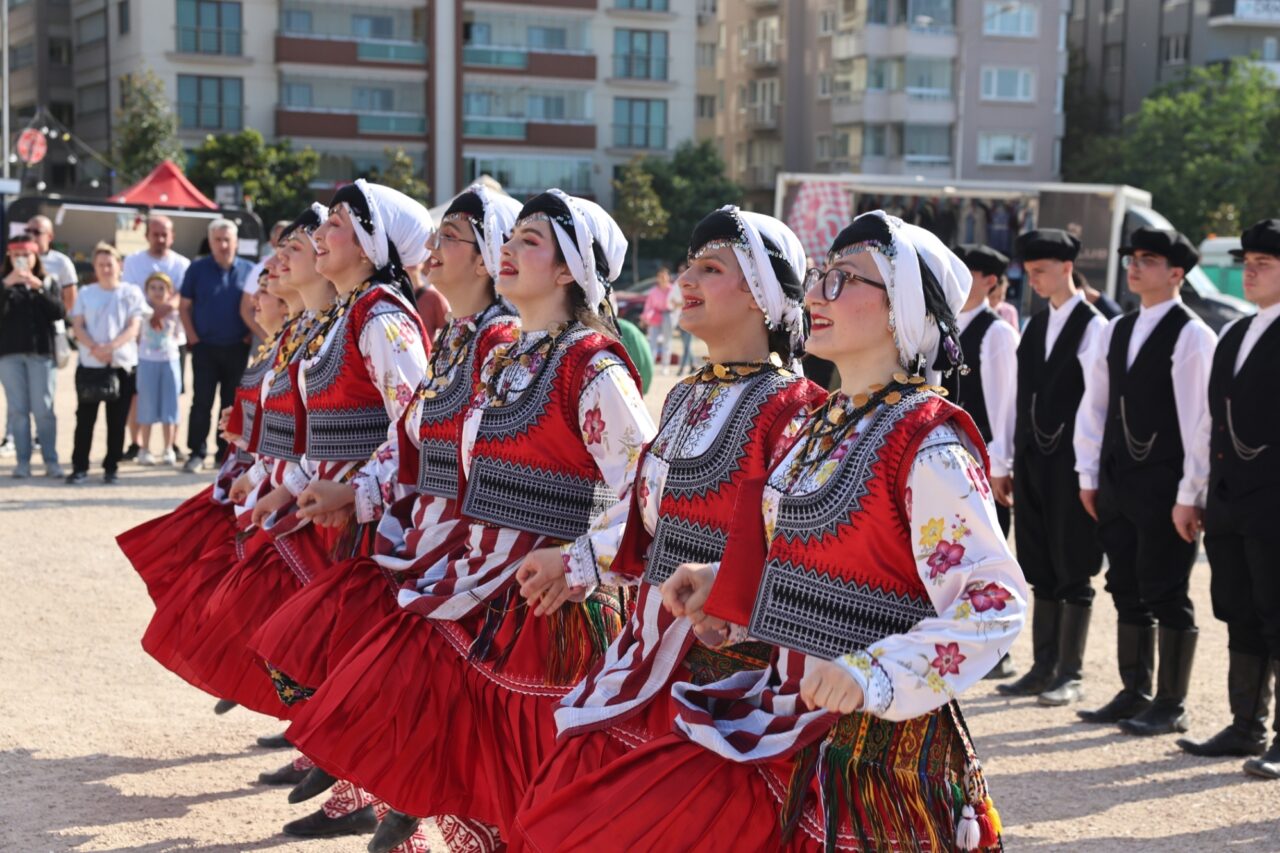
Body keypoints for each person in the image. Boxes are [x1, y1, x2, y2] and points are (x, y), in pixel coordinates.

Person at [512, 210, 1025, 851]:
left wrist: (877, 673)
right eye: (819, 278)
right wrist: (721, 587)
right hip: (780, 713)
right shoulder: (826, 426)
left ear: (903, 309)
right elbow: (802, 562)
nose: (815, 295)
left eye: (844, 281)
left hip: (868, 751)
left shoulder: (927, 443)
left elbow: (996, 601)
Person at [285, 189, 655, 852]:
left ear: (569, 268)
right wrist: (364, 496)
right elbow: (421, 444)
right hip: (485, 592)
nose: (508, 249)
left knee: (535, 795)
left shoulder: (592, 367)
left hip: (552, 615)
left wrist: (578, 559)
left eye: (531, 242)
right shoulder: (508, 358)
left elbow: (651, 486)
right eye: (509, 240)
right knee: (481, 770)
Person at [513, 206, 825, 850]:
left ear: (762, 296)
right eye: (689, 264)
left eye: (710, 268)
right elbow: (643, 519)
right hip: (649, 653)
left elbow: (808, 555)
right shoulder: (685, 395)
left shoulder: (796, 410)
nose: (686, 278)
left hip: (728, 681)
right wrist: (576, 565)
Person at [248, 184, 524, 841]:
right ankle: (367, 791)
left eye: (337, 223)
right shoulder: (454, 335)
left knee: (441, 706)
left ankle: (385, 799)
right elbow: (410, 434)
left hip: (465, 555)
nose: (433, 248)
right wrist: (321, 486)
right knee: (373, 676)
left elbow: (404, 422)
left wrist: (360, 495)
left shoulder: (394, 320)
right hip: (404, 528)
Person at [1075, 226, 1216, 736]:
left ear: (1176, 272)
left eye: (1148, 259)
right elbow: (1094, 406)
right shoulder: (1115, 329)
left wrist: (1189, 494)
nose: (1134, 266)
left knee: (1165, 588)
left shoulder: (1194, 335)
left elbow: (1200, 421)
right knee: (1125, 586)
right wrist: (1088, 473)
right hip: (1117, 479)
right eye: (1132, 258)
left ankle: (1171, 703)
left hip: (1164, 483)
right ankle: (1133, 690)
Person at [1176, 219, 1280, 778]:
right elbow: (1207, 422)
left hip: (1276, 502)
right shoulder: (1236, 335)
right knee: (1239, 608)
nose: (1251, 270)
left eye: (1265, 262)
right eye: (1248, 261)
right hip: (1231, 497)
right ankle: (1246, 726)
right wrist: (1191, 493)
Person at [997, 230, 1107, 707]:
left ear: (1066, 267)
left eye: (1041, 271)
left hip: (1072, 461)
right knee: (1038, 559)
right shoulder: (1038, 325)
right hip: (1033, 457)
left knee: (1073, 563)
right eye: (1029, 272)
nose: (1033, 280)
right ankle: (1042, 666)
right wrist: (1007, 460)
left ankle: (1070, 671)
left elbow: (1096, 406)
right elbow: (1017, 397)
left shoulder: (1095, 326)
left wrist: (1090, 471)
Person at [67, 243, 150, 484]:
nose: (105, 269)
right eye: (100, 264)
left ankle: (111, 466)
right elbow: (77, 325)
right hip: (90, 365)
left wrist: (110, 348)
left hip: (121, 365)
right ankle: (79, 466)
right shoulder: (86, 293)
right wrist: (95, 348)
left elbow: (134, 327)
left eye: (109, 264)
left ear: (119, 265)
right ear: (95, 267)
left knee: (117, 421)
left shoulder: (131, 292)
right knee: (85, 420)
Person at [179, 218, 255, 472]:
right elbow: (184, 306)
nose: (223, 245)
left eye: (227, 240)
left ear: (236, 242)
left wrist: (250, 335)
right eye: (218, 240)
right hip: (205, 347)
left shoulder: (250, 270)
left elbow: (257, 306)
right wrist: (193, 338)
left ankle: (225, 454)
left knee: (230, 404)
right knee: (201, 401)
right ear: (210, 242)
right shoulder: (196, 269)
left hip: (237, 347)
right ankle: (196, 452)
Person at [122, 214, 192, 463]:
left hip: (173, 341)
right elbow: (130, 293)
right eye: (156, 234)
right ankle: (137, 443)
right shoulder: (133, 261)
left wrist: (165, 308)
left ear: (172, 236)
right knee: (138, 395)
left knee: (173, 393)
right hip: (140, 340)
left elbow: (185, 294)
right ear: (147, 235)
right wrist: (151, 312)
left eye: (165, 234)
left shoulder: (182, 264)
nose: (160, 239)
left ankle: (171, 444)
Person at [0, 237, 66, 478]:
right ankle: (22, 462)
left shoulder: (48, 282)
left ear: (35, 257)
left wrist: (39, 288)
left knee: (44, 410)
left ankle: (51, 461)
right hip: (9, 355)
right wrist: (7, 285)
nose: (22, 259)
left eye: (26, 254)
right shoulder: (4, 283)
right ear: (9, 256)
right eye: (16, 254)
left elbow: (59, 312)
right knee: (18, 411)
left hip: (41, 354)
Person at [134, 273, 184, 466]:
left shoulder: (175, 313)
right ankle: (144, 448)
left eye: (162, 288)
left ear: (169, 292)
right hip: (147, 360)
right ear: (146, 291)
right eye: (153, 287)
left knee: (170, 405)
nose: (157, 292)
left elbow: (180, 336)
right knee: (146, 404)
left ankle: (168, 447)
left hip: (170, 360)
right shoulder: (142, 312)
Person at [27, 215, 78, 314]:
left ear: (50, 236)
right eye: (28, 231)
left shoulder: (62, 262)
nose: (31, 236)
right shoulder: (16, 258)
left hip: (50, 324)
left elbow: (70, 301)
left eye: (37, 232)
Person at [642, 266, 679, 370]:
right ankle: (650, 365)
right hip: (655, 316)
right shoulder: (653, 291)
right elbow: (648, 305)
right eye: (660, 276)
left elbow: (678, 304)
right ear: (657, 278)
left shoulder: (672, 289)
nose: (662, 278)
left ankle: (665, 366)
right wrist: (646, 317)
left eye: (664, 276)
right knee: (652, 341)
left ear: (668, 277)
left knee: (667, 341)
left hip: (668, 315)